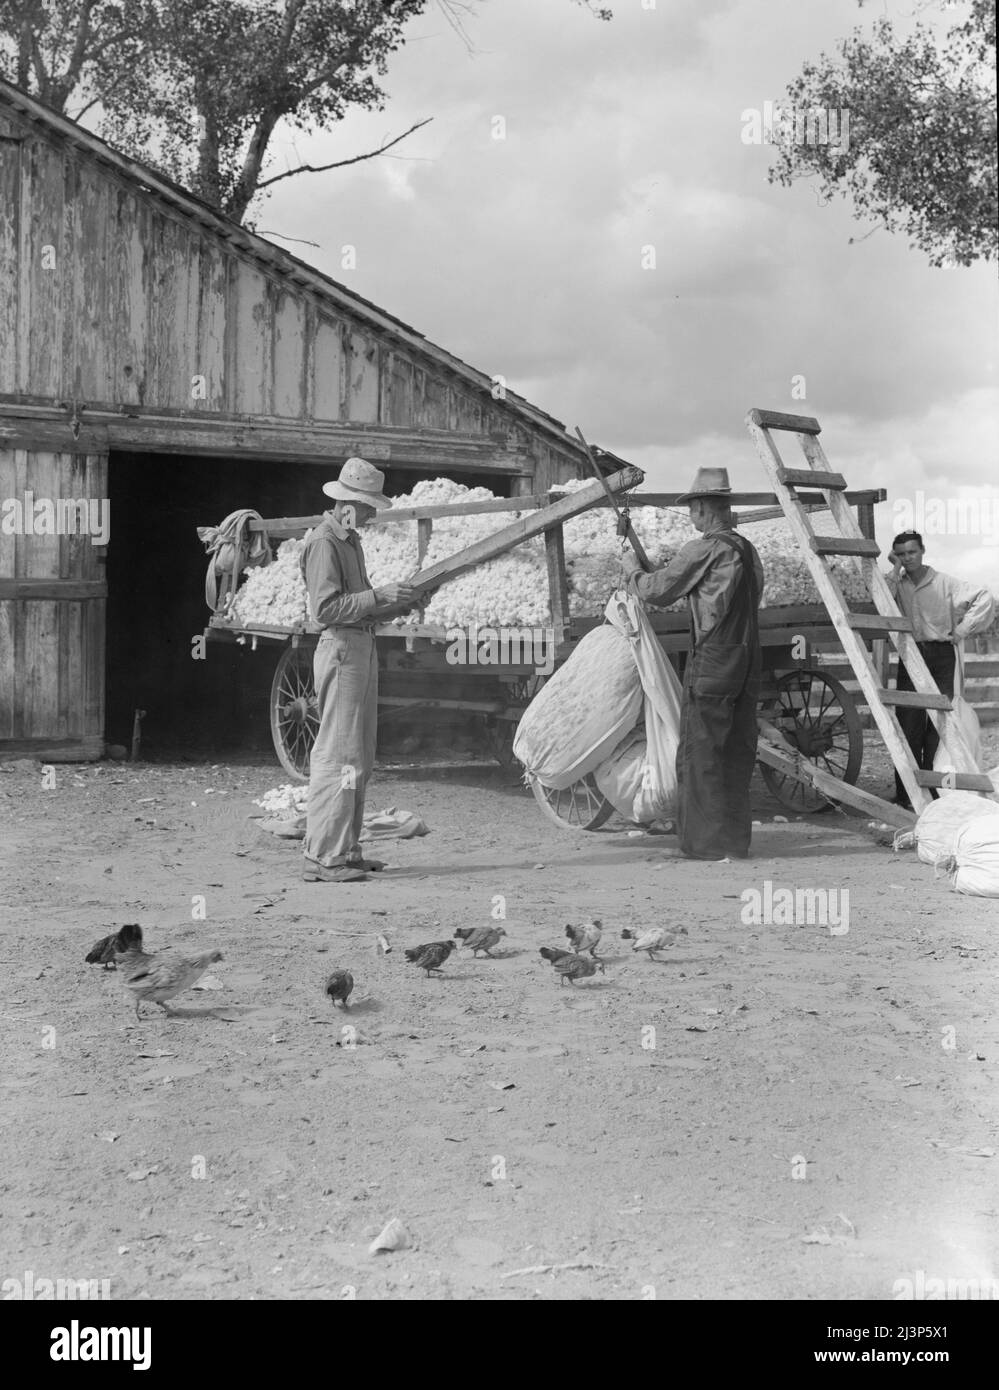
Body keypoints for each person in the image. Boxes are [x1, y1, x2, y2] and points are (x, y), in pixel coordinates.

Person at [622, 467, 764, 860]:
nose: (690, 516)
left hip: (716, 658)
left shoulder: (703, 549)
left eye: (692, 509)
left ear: (702, 508)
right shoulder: (748, 552)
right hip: (748, 658)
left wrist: (631, 572)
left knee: (701, 751)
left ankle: (703, 844)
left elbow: (660, 591)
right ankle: (735, 842)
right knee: (736, 750)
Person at [299, 458, 421, 883]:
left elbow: (360, 601)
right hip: (341, 649)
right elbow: (325, 610)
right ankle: (323, 856)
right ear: (348, 504)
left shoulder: (350, 541)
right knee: (338, 754)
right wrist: (377, 595)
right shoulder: (324, 544)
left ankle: (347, 850)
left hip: (360, 645)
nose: (371, 515)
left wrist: (396, 600)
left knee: (360, 755)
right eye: (367, 507)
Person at [886, 529, 995, 810]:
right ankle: (907, 792)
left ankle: (937, 790)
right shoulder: (896, 583)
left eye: (912, 552)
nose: (908, 558)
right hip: (910, 654)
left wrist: (960, 630)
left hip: (941, 654)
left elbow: (984, 597)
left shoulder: (945, 582)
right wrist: (895, 569)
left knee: (940, 722)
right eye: (901, 554)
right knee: (908, 722)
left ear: (922, 551)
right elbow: (882, 600)